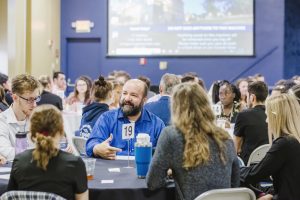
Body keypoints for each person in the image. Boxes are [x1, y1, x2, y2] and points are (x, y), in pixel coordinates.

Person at [146, 82, 240, 200]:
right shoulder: (225, 137)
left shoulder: (171, 135)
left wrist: (174, 173)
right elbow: (235, 183)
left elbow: (153, 183)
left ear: (176, 107)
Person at [7, 105, 88, 200]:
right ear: (61, 130)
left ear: (32, 132)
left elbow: (10, 196)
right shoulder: (75, 164)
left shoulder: (20, 161)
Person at [86, 79, 165, 159]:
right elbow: (91, 143)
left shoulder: (156, 124)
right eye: (124, 93)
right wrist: (97, 148)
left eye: (133, 95)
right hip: (111, 168)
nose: (127, 98)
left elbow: (165, 152)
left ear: (144, 100)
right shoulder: (107, 119)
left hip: (143, 169)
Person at [240, 93, 300, 200]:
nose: (267, 121)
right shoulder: (293, 141)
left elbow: (254, 174)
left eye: (268, 116)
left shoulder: (284, 144)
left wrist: (235, 169)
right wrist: (271, 193)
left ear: (276, 117)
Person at [0, 74, 40, 161]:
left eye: (36, 99)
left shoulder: (36, 119)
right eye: (30, 100)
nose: (34, 104)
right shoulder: (2, 121)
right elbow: (5, 152)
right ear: (15, 97)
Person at [233, 81, 269, 164]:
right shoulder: (273, 114)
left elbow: (236, 147)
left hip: (248, 164)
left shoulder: (243, 115)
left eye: (247, 96)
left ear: (252, 97)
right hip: (269, 163)